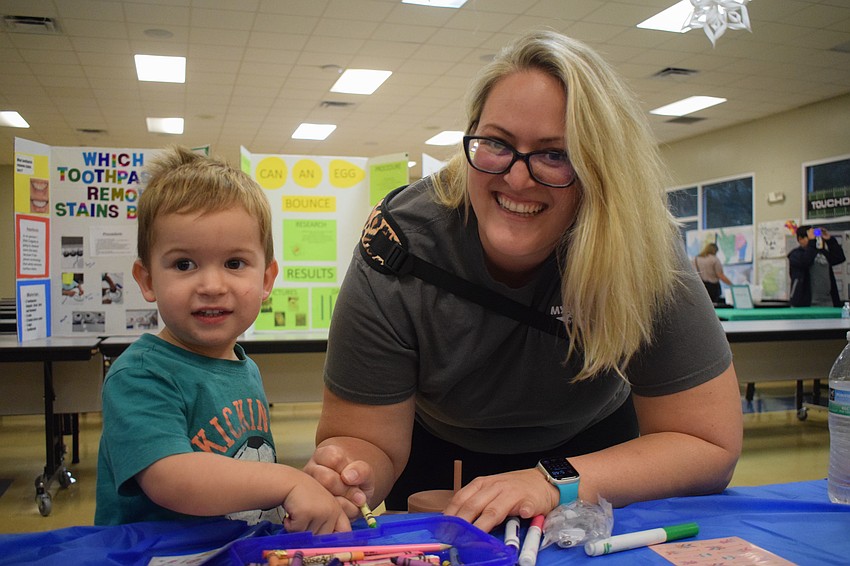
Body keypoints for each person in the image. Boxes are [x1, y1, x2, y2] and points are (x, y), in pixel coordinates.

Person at [305, 30, 743, 533]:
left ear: (601, 169)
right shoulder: (401, 246)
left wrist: (552, 480)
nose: (517, 178)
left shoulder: (639, 243)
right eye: (496, 143)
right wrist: (350, 473)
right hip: (439, 457)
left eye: (555, 155)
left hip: (600, 455)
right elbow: (370, 442)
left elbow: (708, 443)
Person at [95, 146, 348, 533]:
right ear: (147, 280)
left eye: (234, 263)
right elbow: (172, 477)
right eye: (184, 264)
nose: (212, 286)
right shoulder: (139, 375)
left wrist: (307, 488)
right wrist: (289, 482)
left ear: (266, 280)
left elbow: (242, 471)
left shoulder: (244, 367)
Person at [788, 225, 846, 307]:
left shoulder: (822, 253)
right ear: (800, 239)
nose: (814, 239)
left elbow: (839, 258)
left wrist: (830, 240)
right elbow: (806, 261)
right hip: (806, 302)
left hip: (828, 302)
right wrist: (812, 242)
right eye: (810, 237)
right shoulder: (795, 254)